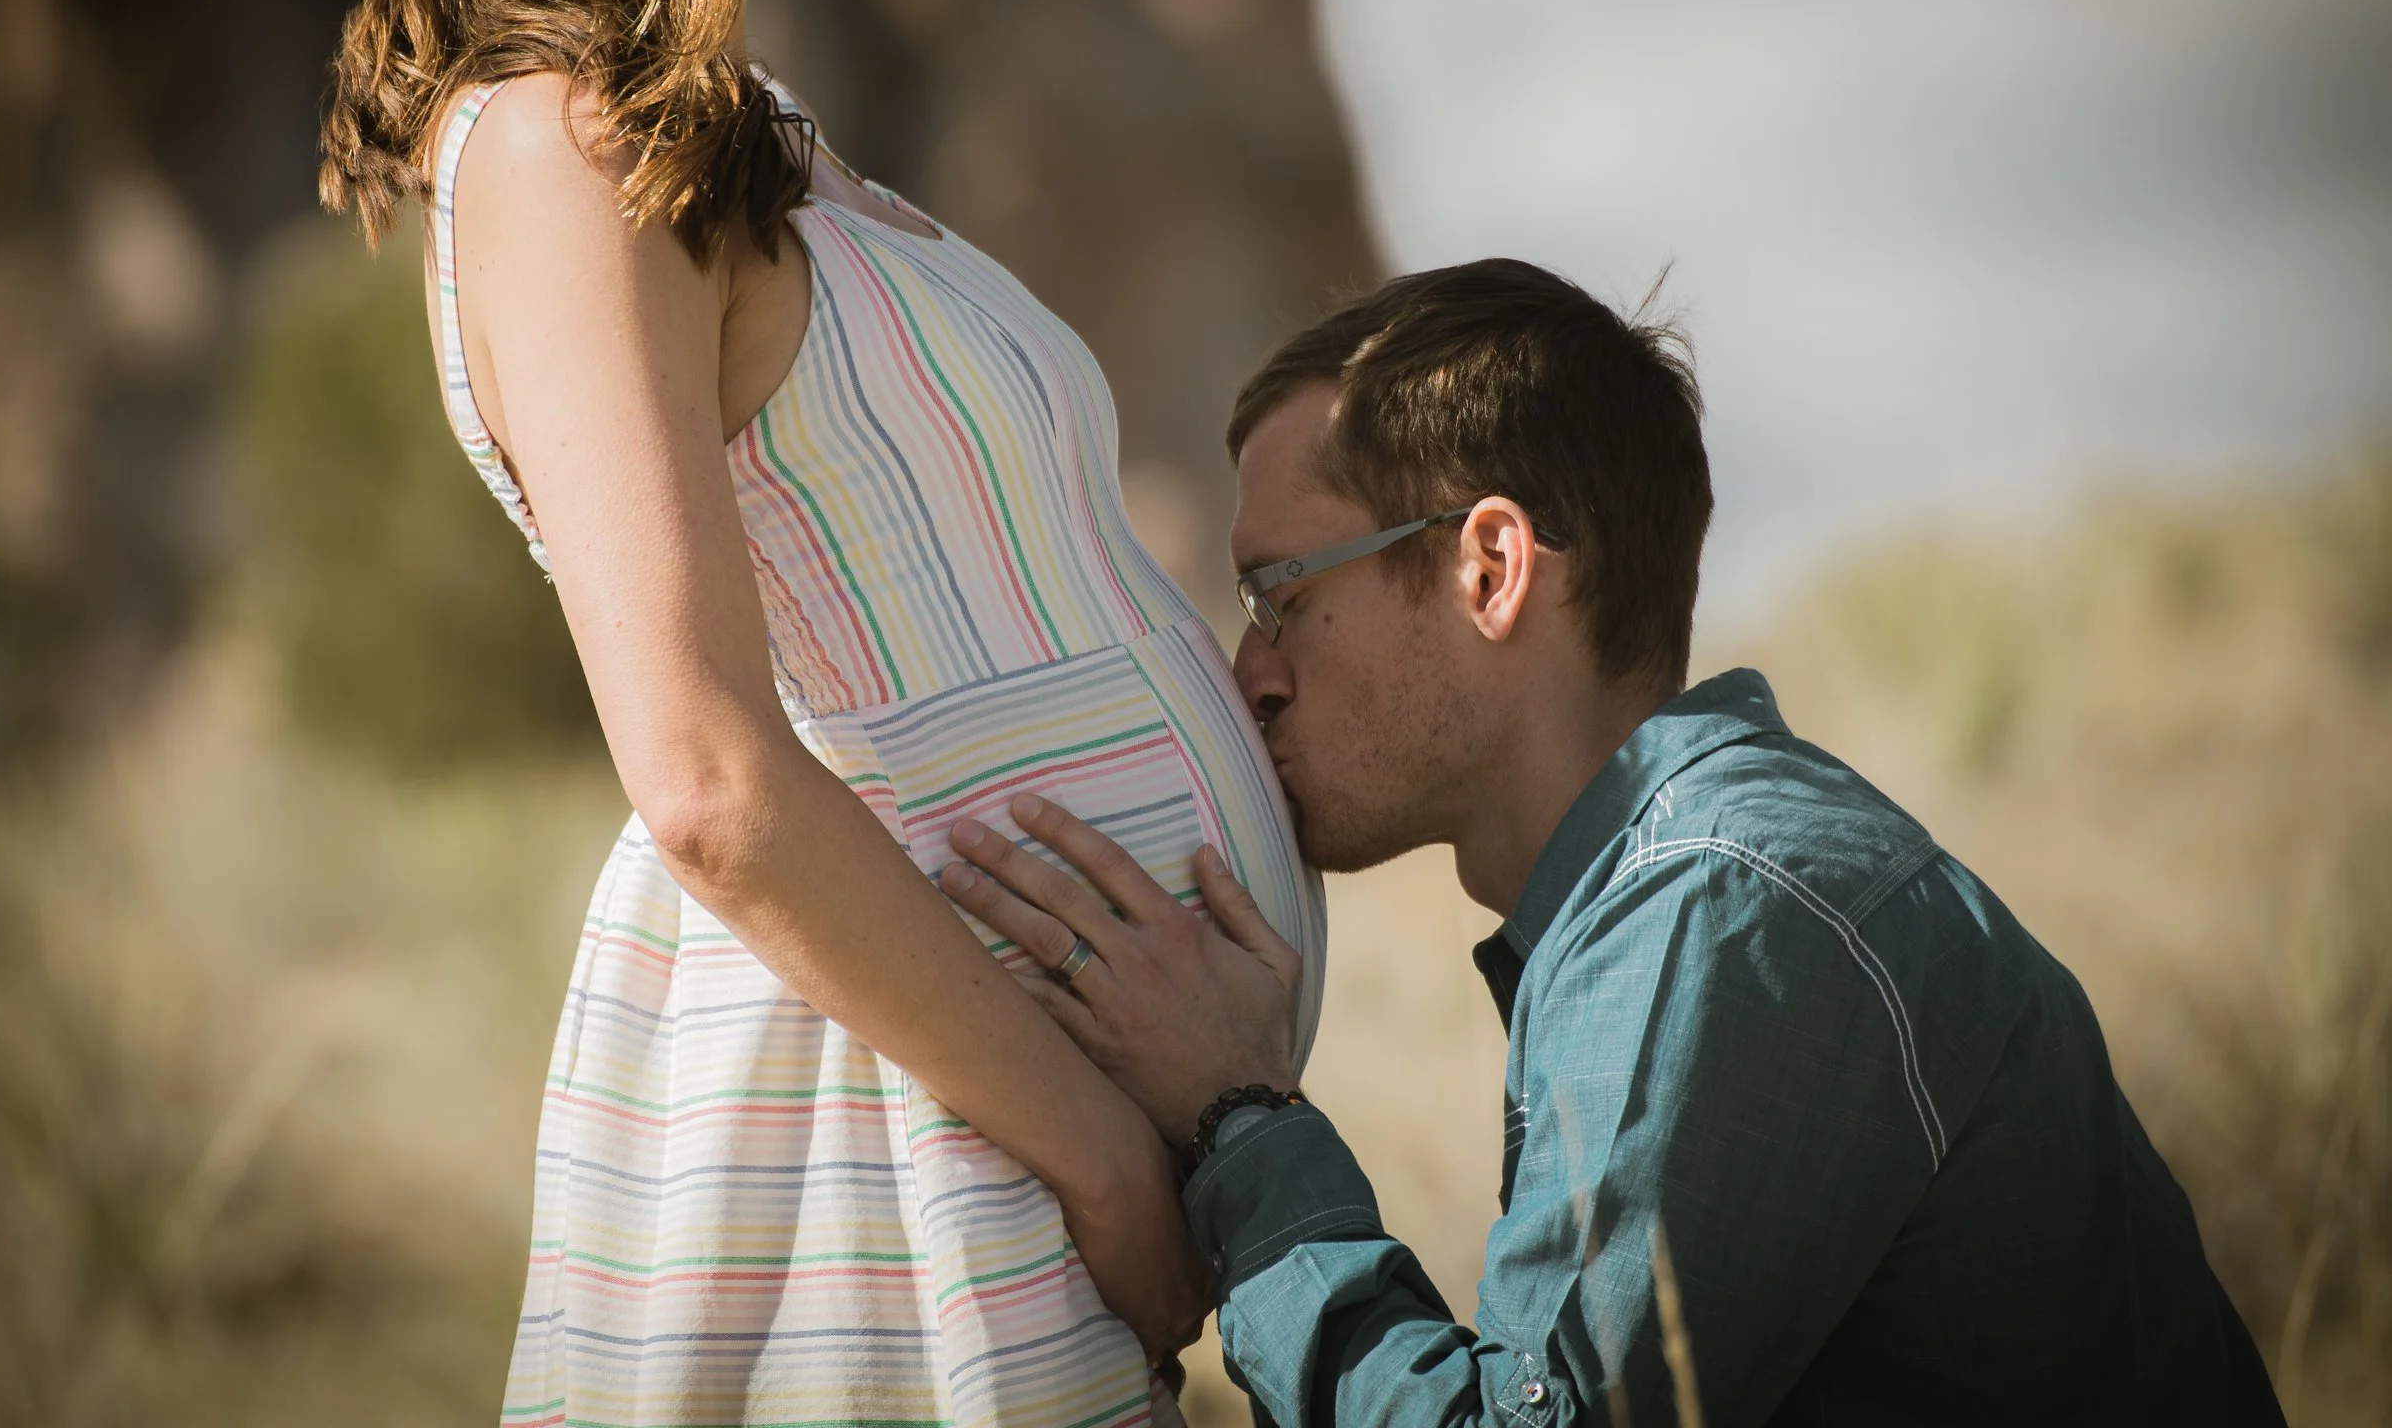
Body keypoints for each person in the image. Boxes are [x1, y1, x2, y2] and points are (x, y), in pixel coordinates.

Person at [316, 0, 1325, 1425]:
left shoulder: (732, 129)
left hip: (964, 1123)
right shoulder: (564, 155)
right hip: (881, 1149)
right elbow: (706, 774)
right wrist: (1095, 1158)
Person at [940, 259, 2285, 1425]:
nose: (1251, 672)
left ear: (1490, 570)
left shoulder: (1719, 912)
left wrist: (1239, 1119)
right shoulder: (1689, 891)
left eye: (1282, 591)